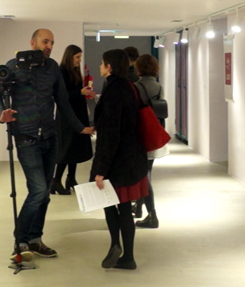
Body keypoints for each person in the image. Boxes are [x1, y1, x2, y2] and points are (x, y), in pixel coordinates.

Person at [0, 29, 94, 266]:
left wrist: (80, 128)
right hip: (26, 138)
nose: (49, 46)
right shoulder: (14, 66)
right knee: (38, 190)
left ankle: (35, 239)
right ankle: (20, 241)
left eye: (52, 43)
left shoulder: (52, 68)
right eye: (45, 41)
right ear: (32, 42)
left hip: (50, 137)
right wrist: (1, 114)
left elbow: (63, 102)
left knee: (44, 194)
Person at [91, 49, 149, 270]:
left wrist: (101, 169)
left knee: (108, 202)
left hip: (118, 160)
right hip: (132, 156)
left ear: (109, 67)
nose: (99, 66)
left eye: (102, 63)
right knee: (124, 207)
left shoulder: (114, 91)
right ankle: (128, 256)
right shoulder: (130, 87)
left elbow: (111, 134)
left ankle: (115, 244)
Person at [51, 44, 95, 195]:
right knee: (66, 149)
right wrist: (80, 92)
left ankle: (71, 178)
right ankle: (56, 181)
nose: (79, 60)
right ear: (70, 57)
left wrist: (83, 93)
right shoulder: (62, 72)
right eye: (77, 57)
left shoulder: (74, 71)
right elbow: (61, 96)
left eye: (80, 57)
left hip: (77, 114)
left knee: (74, 148)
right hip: (67, 117)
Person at [132, 54, 163, 228]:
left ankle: (152, 215)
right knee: (147, 171)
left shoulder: (136, 87)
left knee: (143, 176)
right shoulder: (159, 87)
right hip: (153, 134)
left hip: (139, 135)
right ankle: (139, 208)